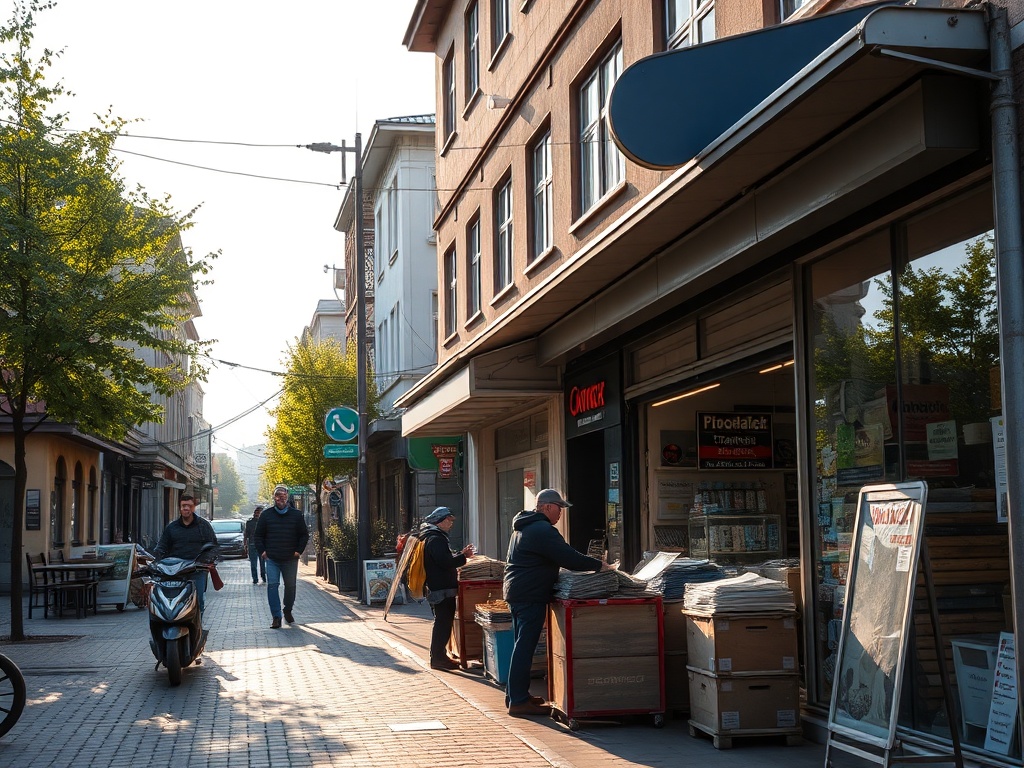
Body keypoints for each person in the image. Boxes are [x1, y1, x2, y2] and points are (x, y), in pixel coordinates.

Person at [503, 488, 612, 717]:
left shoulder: (523, 527)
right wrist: (600, 566)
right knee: (524, 647)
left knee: (520, 645)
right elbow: (568, 557)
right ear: (547, 507)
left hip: (518, 592)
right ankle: (519, 701)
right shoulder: (542, 529)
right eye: (559, 508)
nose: (561, 514)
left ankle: (515, 695)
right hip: (529, 595)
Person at [419, 507, 475, 671]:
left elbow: (443, 559)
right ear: (440, 521)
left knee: (442, 623)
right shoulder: (436, 539)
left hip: (439, 587)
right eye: (449, 520)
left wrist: (459, 555)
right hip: (441, 589)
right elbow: (445, 562)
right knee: (442, 623)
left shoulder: (433, 537)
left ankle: (440, 656)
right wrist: (463, 556)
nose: (451, 523)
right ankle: (437, 658)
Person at [152, 494, 219, 614]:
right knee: (173, 602)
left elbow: (213, 547)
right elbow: (161, 547)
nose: (186, 508)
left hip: (197, 570)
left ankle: (196, 630)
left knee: (198, 602)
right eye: (183, 506)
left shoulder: (203, 526)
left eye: (189, 506)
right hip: (175, 572)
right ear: (180, 508)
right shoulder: (171, 528)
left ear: (194, 508)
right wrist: (156, 561)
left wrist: (205, 561)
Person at [254, 485, 309, 629]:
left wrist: (298, 551)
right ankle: (276, 617)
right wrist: (263, 552)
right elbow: (258, 535)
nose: (280, 498)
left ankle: (288, 610)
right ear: (274, 497)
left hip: (290, 558)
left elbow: (304, 535)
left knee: (290, 587)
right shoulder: (266, 515)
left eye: (283, 495)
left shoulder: (296, 515)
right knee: (272, 587)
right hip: (272, 559)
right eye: (278, 496)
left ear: (287, 497)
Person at [244, 505, 267, 584]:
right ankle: (257, 578)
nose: (257, 514)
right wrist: (245, 544)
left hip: (260, 545)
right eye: (256, 513)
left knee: (261, 563)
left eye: (259, 513)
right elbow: (246, 534)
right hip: (254, 544)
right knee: (256, 563)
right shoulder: (250, 522)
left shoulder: (264, 522)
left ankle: (261, 577)